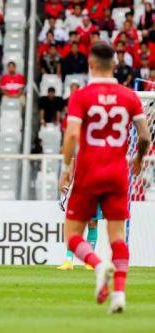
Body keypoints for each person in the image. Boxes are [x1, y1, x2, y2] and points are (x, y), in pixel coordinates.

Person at [59, 42, 151, 314]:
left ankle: (98, 265)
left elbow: (73, 135)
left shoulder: (81, 95)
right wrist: (138, 159)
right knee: (118, 237)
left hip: (88, 170)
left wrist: (66, 170)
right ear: (114, 65)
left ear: (90, 64)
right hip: (117, 172)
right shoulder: (129, 97)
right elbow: (144, 136)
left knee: (73, 235)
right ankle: (120, 294)